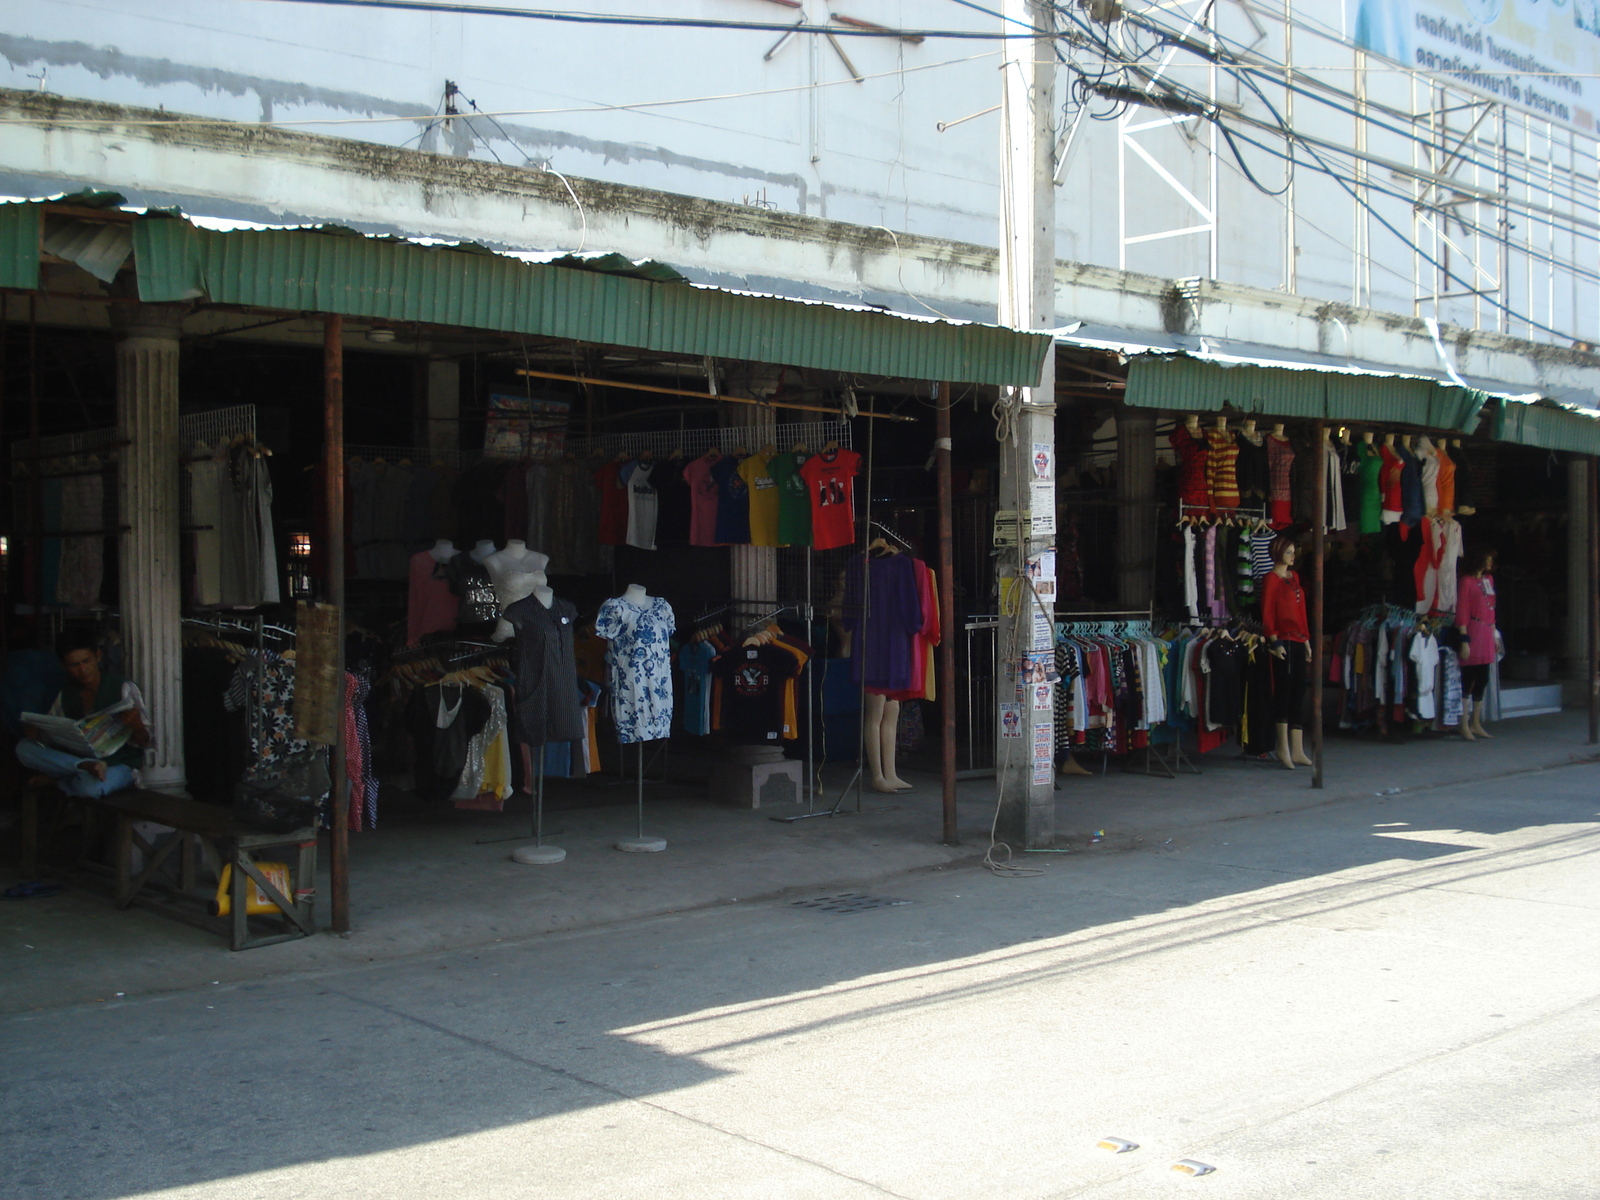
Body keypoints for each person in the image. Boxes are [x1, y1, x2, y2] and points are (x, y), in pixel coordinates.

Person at [17, 632, 151, 797]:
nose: (83, 670)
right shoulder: (66, 695)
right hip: (80, 761)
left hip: (119, 764)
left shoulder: (123, 688)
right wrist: (36, 733)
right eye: (74, 665)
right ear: (64, 666)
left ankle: (59, 780)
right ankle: (83, 766)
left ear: (98, 656)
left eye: (86, 661)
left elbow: (146, 741)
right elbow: (51, 736)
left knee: (89, 788)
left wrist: (137, 725)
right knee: (24, 748)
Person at [1260, 535, 1315, 770]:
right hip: (1283, 639)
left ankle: (1298, 748)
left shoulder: (1294, 577)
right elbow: (1267, 612)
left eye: (1294, 551)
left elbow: (1302, 611)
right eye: (1289, 551)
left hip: (1298, 639)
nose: (1293, 556)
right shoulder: (1271, 579)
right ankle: (1283, 747)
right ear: (1278, 552)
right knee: (1284, 691)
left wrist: (1307, 640)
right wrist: (1274, 640)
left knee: (1298, 692)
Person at [1456, 549, 1498, 740]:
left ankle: (1476, 722)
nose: (1489, 564)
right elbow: (1463, 610)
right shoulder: (1466, 581)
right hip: (1474, 629)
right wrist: (1464, 640)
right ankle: (1464, 723)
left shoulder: (1488, 580)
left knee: (1483, 677)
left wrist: (1495, 636)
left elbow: (1492, 607)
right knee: (1469, 678)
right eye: (1486, 560)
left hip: (1488, 629)